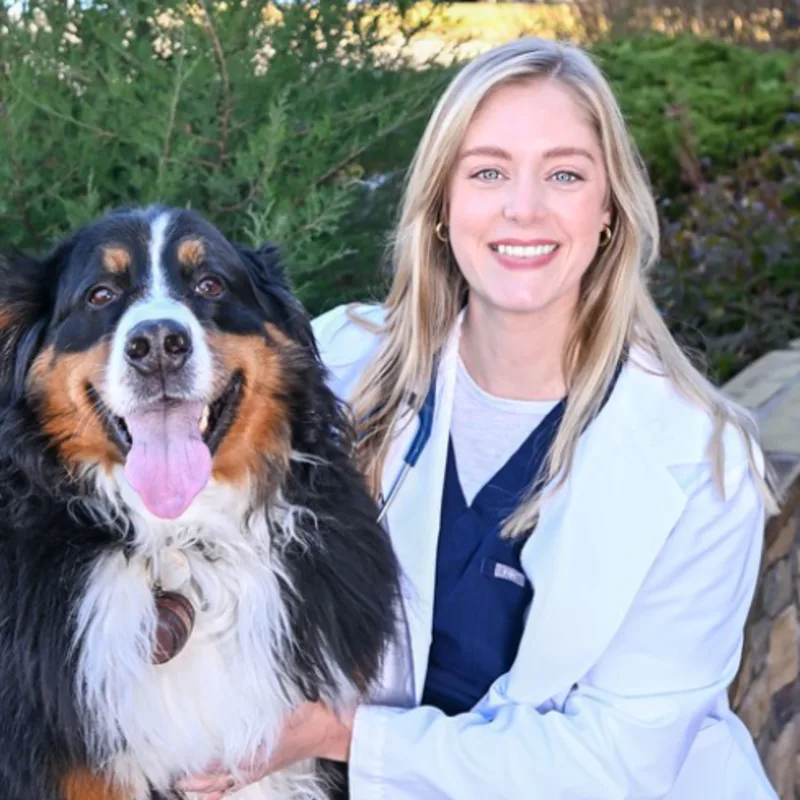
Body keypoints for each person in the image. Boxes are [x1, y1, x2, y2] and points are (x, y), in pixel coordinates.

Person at [179, 37, 779, 799]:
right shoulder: (338, 363)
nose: (522, 208)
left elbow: (613, 765)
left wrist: (346, 735)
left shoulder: (702, 460)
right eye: (489, 171)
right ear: (442, 206)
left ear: (608, 212)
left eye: (564, 174)